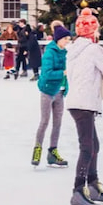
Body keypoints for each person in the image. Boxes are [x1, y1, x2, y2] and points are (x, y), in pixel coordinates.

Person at [65, 8, 103, 205]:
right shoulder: (93, 50)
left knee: (94, 144)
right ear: (92, 31)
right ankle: (78, 191)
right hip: (85, 102)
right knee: (87, 147)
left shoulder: (72, 49)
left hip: (76, 101)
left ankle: (93, 185)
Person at [33, 24, 71, 168]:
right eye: (66, 38)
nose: (68, 41)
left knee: (57, 123)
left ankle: (52, 152)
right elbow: (47, 74)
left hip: (60, 92)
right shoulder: (50, 53)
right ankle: (37, 150)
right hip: (48, 91)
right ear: (59, 39)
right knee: (44, 121)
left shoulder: (65, 52)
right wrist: (63, 73)